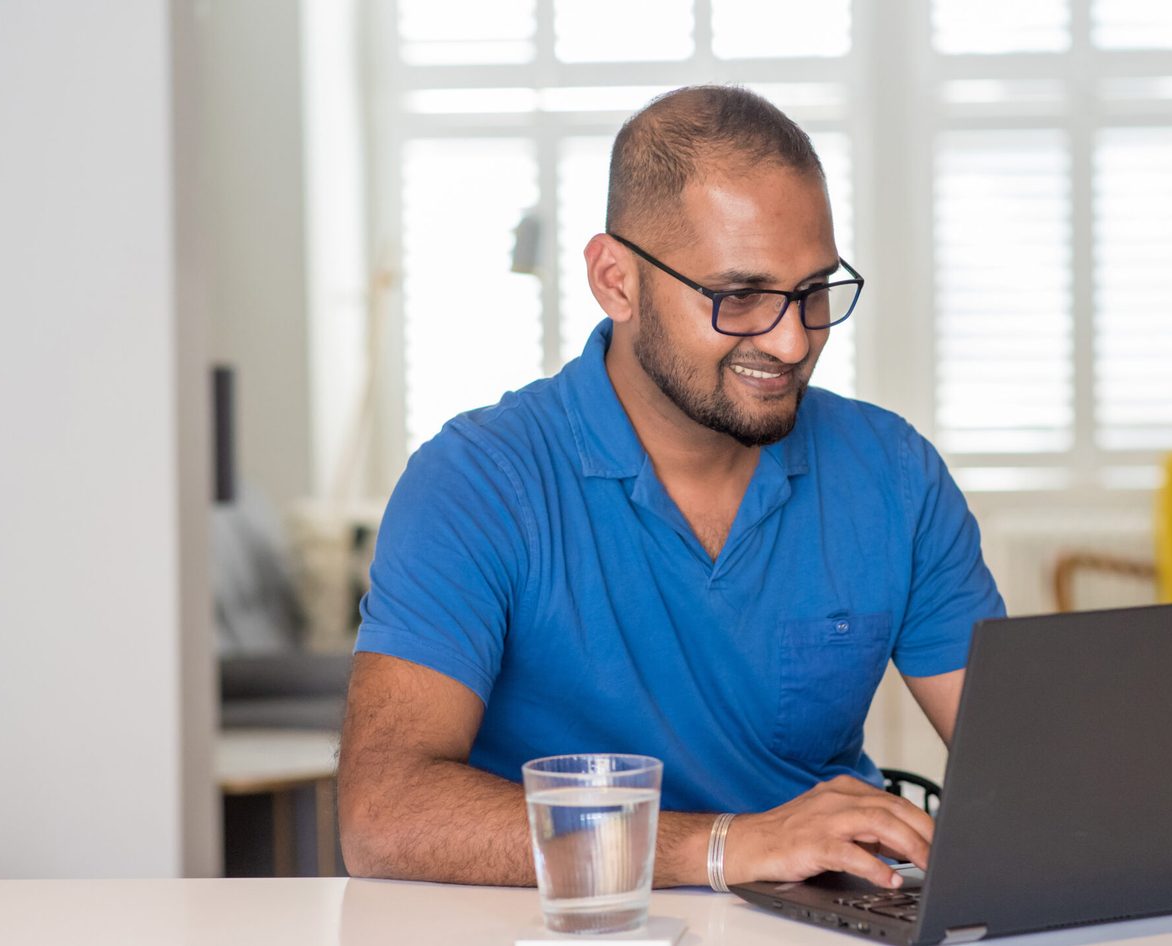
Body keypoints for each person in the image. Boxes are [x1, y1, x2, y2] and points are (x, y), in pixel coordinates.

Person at [338, 85, 1005, 891]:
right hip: (568, 929)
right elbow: (383, 815)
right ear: (616, 281)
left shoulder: (893, 472)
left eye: (814, 290)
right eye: (740, 296)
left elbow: (1026, 769)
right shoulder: (478, 482)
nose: (793, 340)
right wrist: (726, 848)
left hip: (824, 918)